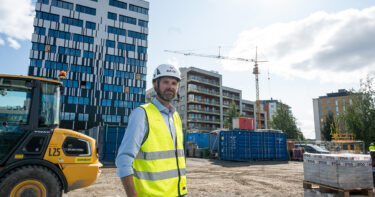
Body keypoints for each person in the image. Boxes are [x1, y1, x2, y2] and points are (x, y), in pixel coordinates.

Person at [116, 64, 187, 197]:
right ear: (155, 85)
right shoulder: (142, 114)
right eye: (165, 82)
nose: (170, 87)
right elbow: (123, 160)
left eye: (174, 83)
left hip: (179, 193)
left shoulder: (175, 116)